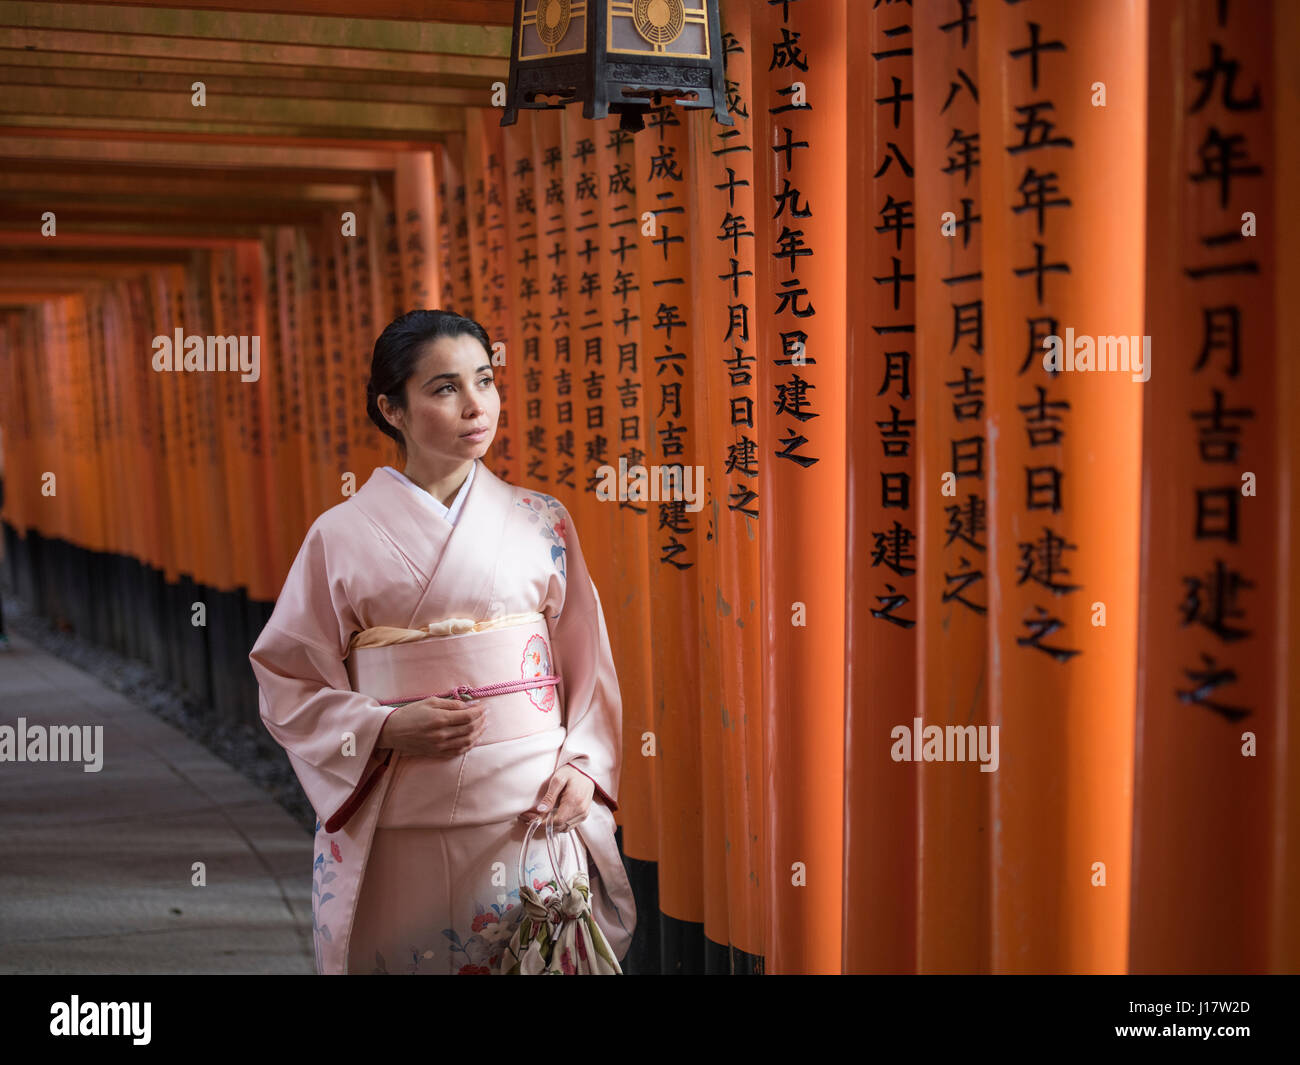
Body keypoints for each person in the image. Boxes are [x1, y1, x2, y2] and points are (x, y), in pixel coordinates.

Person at [249, 309, 635, 974]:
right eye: (445, 388)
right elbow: (288, 673)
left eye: (484, 381)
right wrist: (385, 726)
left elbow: (587, 664)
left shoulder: (542, 520)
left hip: (530, 808)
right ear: (392, 409)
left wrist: (583, 765)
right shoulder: (339, 535)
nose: (475, 405)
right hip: (402, 815)